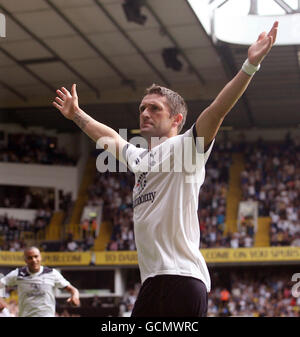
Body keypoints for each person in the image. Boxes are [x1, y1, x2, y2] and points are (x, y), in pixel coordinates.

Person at [52, 22, 278, 317]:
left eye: (155, 108)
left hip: (180, 278)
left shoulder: (187, 147)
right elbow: (110, 138)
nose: (145, 113)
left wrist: (250, 64)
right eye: (142, 108)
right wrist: (77, 115)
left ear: (176, 119)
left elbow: (218, 110)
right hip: (154, 281)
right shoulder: (140, 158)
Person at [0, 247, 80, 317]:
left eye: (36, 256)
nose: (34, 260)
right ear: (25, 260)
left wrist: (75, 296)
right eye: (30, 258)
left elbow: (73, 289)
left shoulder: (52, 273)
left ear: (40, 257)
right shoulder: (18, 274)